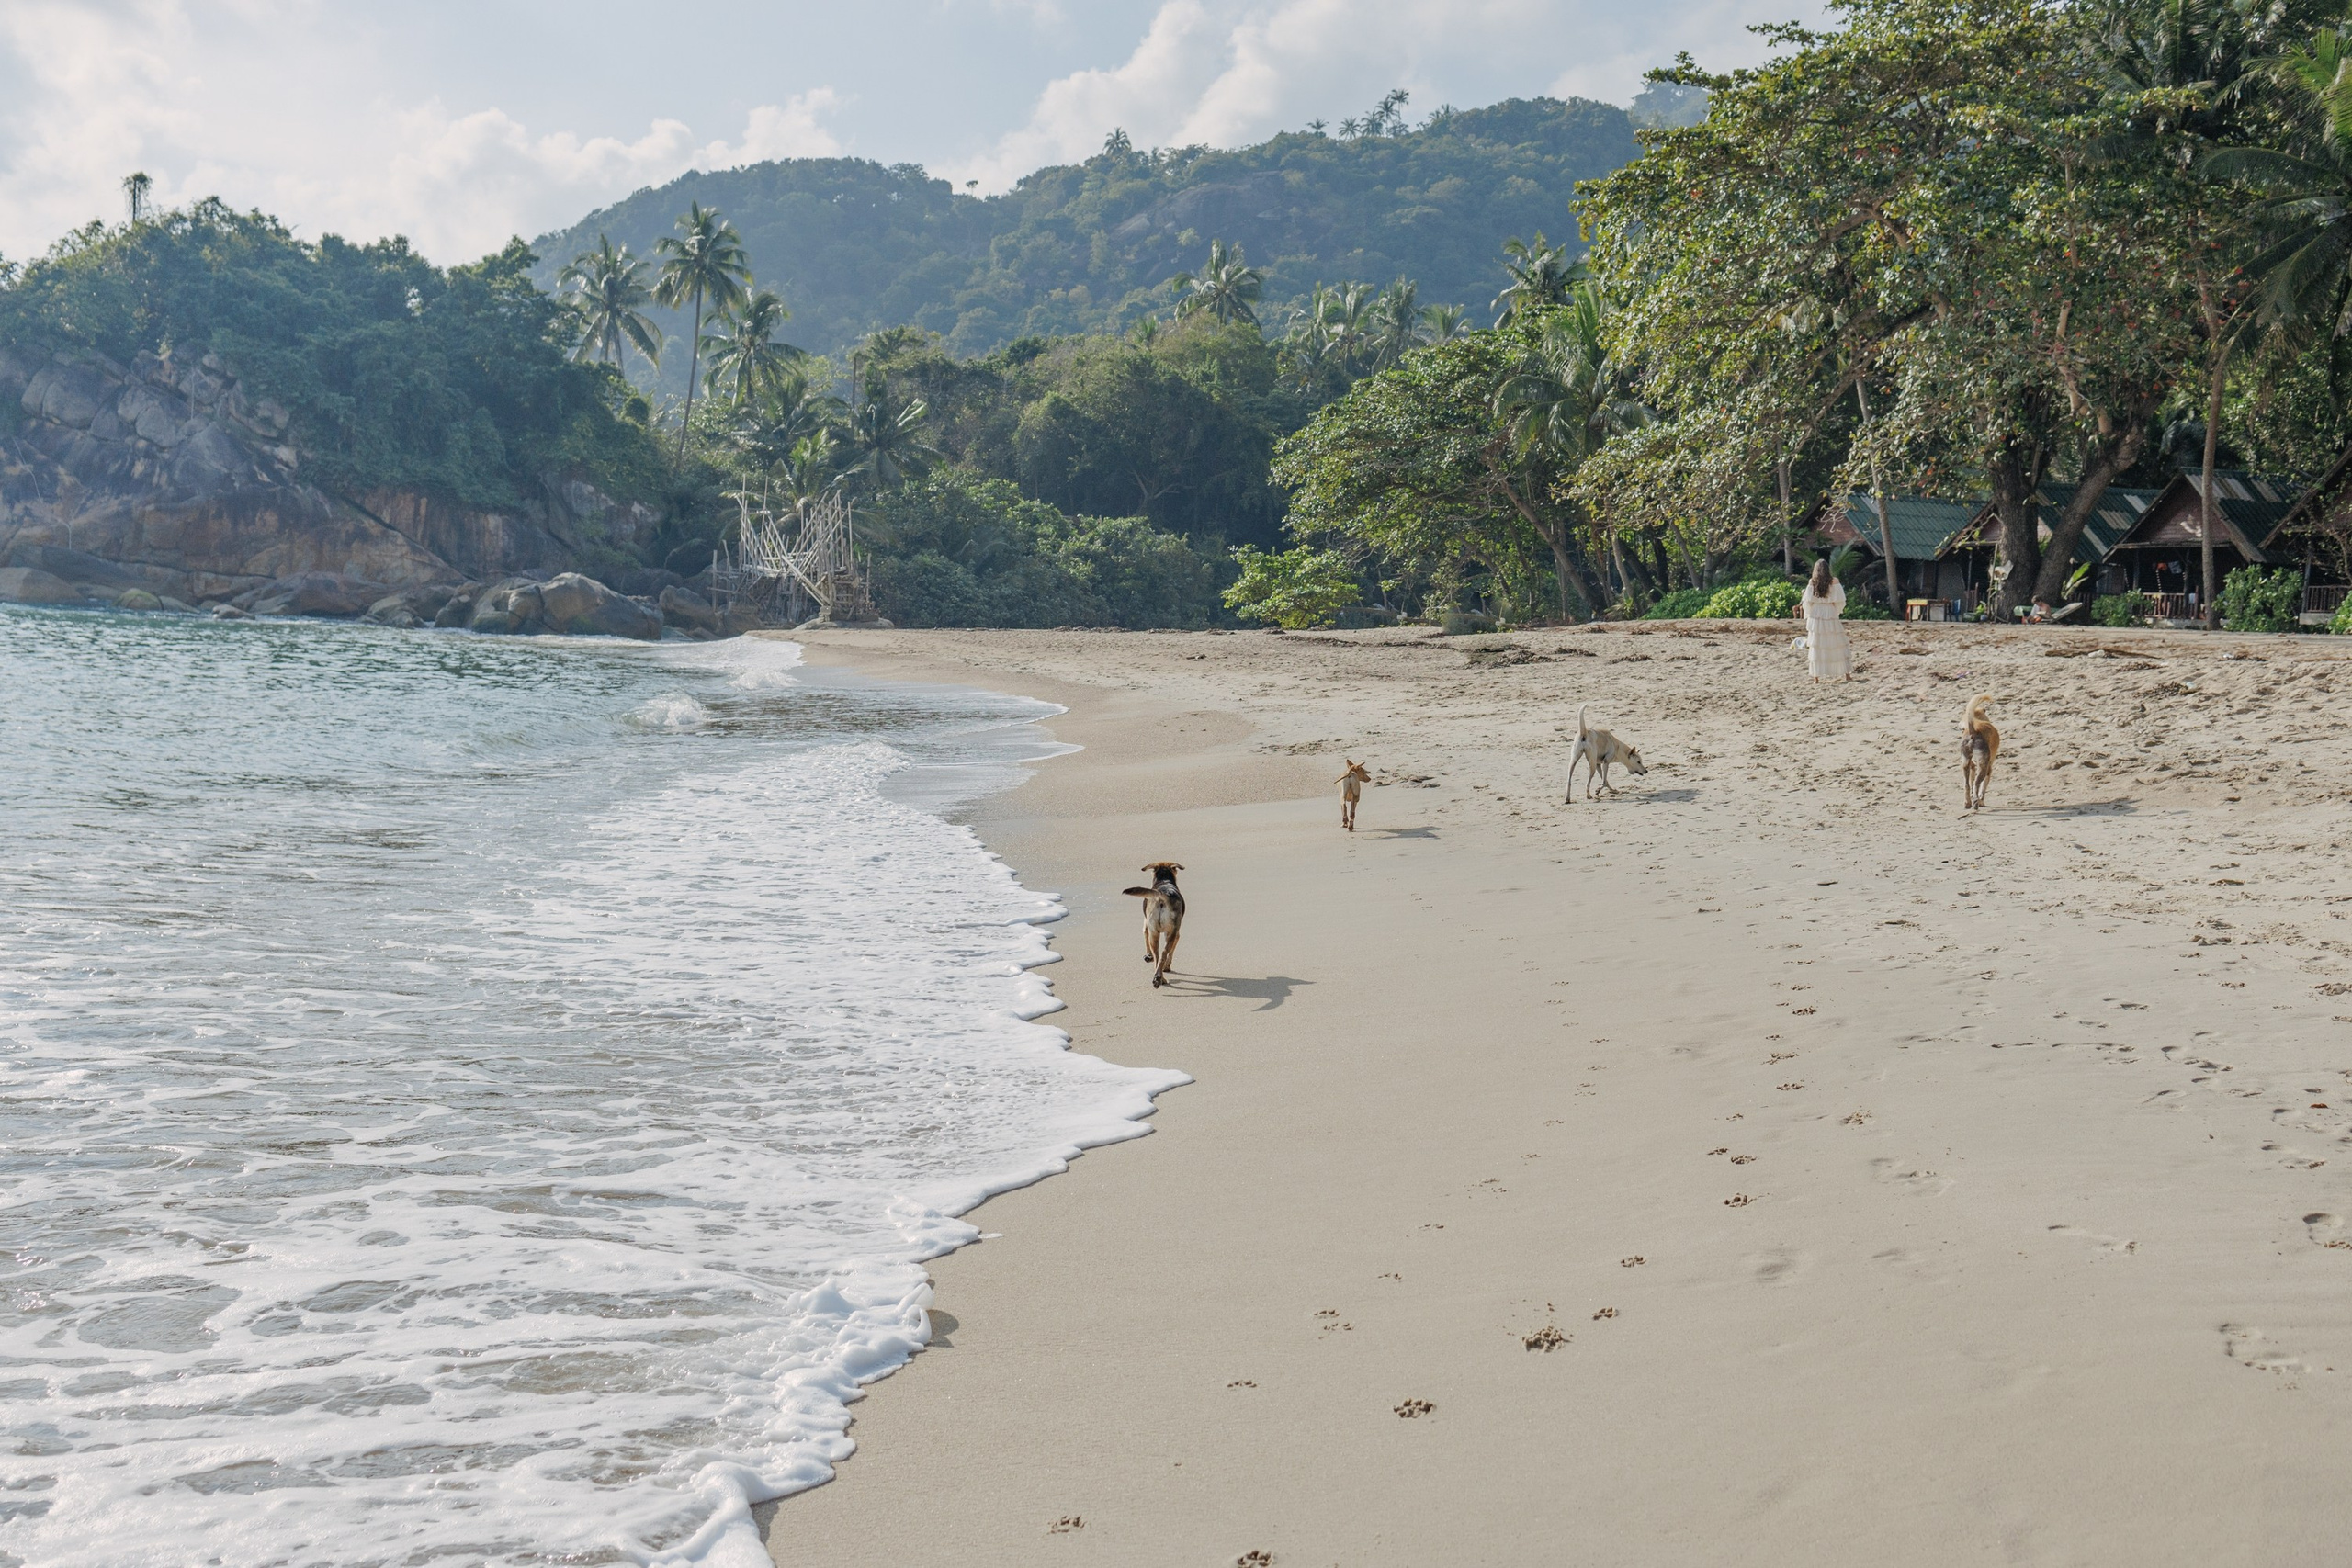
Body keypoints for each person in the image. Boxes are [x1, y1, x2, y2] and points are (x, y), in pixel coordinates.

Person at [1802, 558, 1852, 683]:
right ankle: (1847, 675)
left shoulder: (1812, 582)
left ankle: (1816, 678)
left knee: (1817, 644)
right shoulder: (1834, 581)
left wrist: (1809, 613)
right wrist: (1835, 610)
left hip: (1816, 613)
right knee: (1837, 642)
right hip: (1829, 611)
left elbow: (1808, 602)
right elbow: (1839, 601)